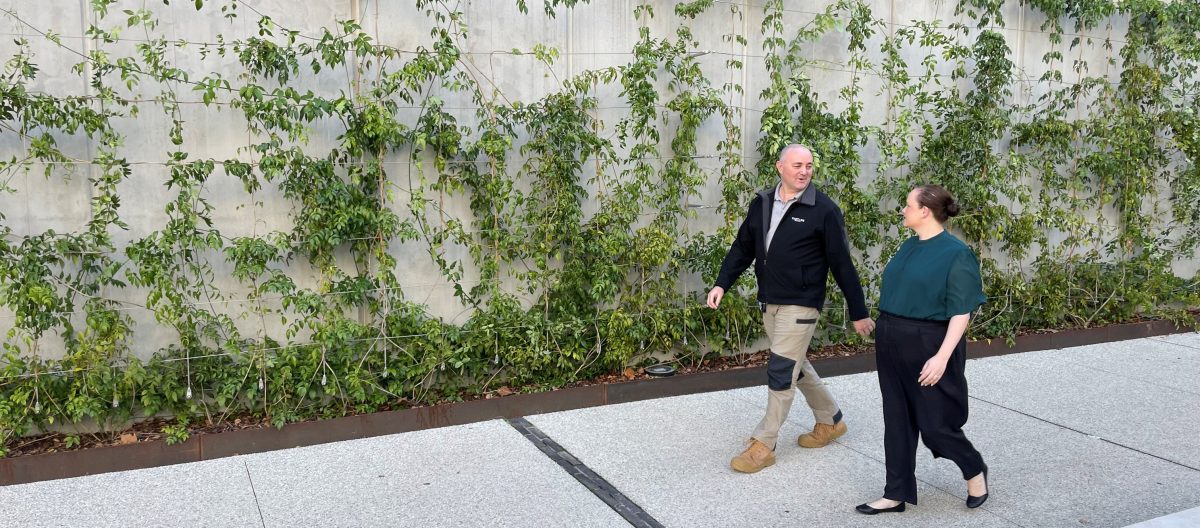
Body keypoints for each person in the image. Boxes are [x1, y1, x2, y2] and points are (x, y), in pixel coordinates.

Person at [707, 144, 874, 474]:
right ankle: (831, 420)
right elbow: (742, 248)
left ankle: (764, 444)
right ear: (780, 166)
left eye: (809, 165)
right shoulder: (763, 203)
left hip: (802, 303)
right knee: (795, 366)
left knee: (781, 368)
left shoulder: (823, 209)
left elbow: (841, 263)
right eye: (798, 164)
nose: (804, 171)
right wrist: (721, 284)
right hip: (770, 301)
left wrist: (858, 310)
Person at [855, 184, 989, 515]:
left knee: (935, 425)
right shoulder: (909, 246)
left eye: (908, 205)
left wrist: (942, 357)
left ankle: (973, 468)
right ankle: (895, 492)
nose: (903, 210)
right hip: (891, 340)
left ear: (925, 211)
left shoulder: (956, 253)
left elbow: (962, 311)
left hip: (929, 343)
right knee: (897, 420)